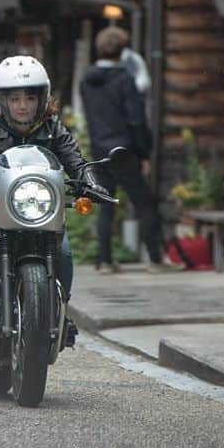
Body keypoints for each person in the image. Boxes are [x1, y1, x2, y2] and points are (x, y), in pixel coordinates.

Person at [0, 55, 107, 343]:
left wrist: (90, 182)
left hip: (40, 208)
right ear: (1, 99)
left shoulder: (53, 128)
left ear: (41, 98)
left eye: (30, 98)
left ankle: (58, 312)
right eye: (15, 98)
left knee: (64, 254)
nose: (22, 105)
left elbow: (75, 161)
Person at [79, 26, 182, 274]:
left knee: (106, 204)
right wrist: (144, 152)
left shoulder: (86, 79)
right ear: (123, 51)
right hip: (124, 149)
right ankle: (155, 259)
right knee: (145, 202)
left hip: (98, 148)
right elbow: (136, 119)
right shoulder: (125, 80)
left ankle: (104, 261)